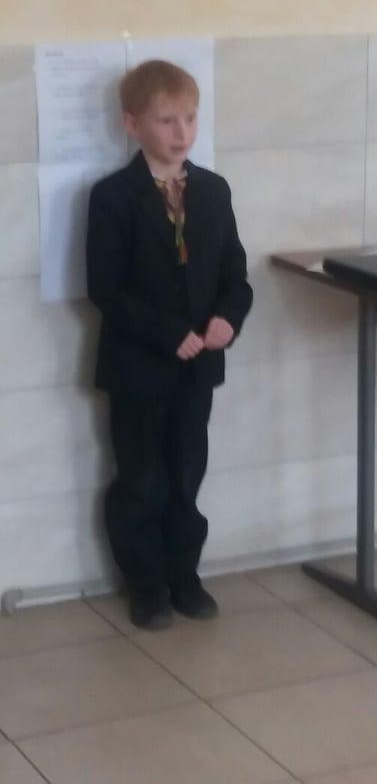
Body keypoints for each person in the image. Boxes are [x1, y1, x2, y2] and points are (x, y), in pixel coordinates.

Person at [86, 59, 253, 630]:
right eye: (166, 120)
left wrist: (228, 319)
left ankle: (185, 574)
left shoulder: (213, 191)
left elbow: (235, 274)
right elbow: (105, 288)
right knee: (141, 478)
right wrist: (167, 332)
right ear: (132, 125)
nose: (181, 132)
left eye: (189, 118)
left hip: (197, 368)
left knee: (186, 473)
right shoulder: (113, 197)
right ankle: (146, 584)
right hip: (139, 367)